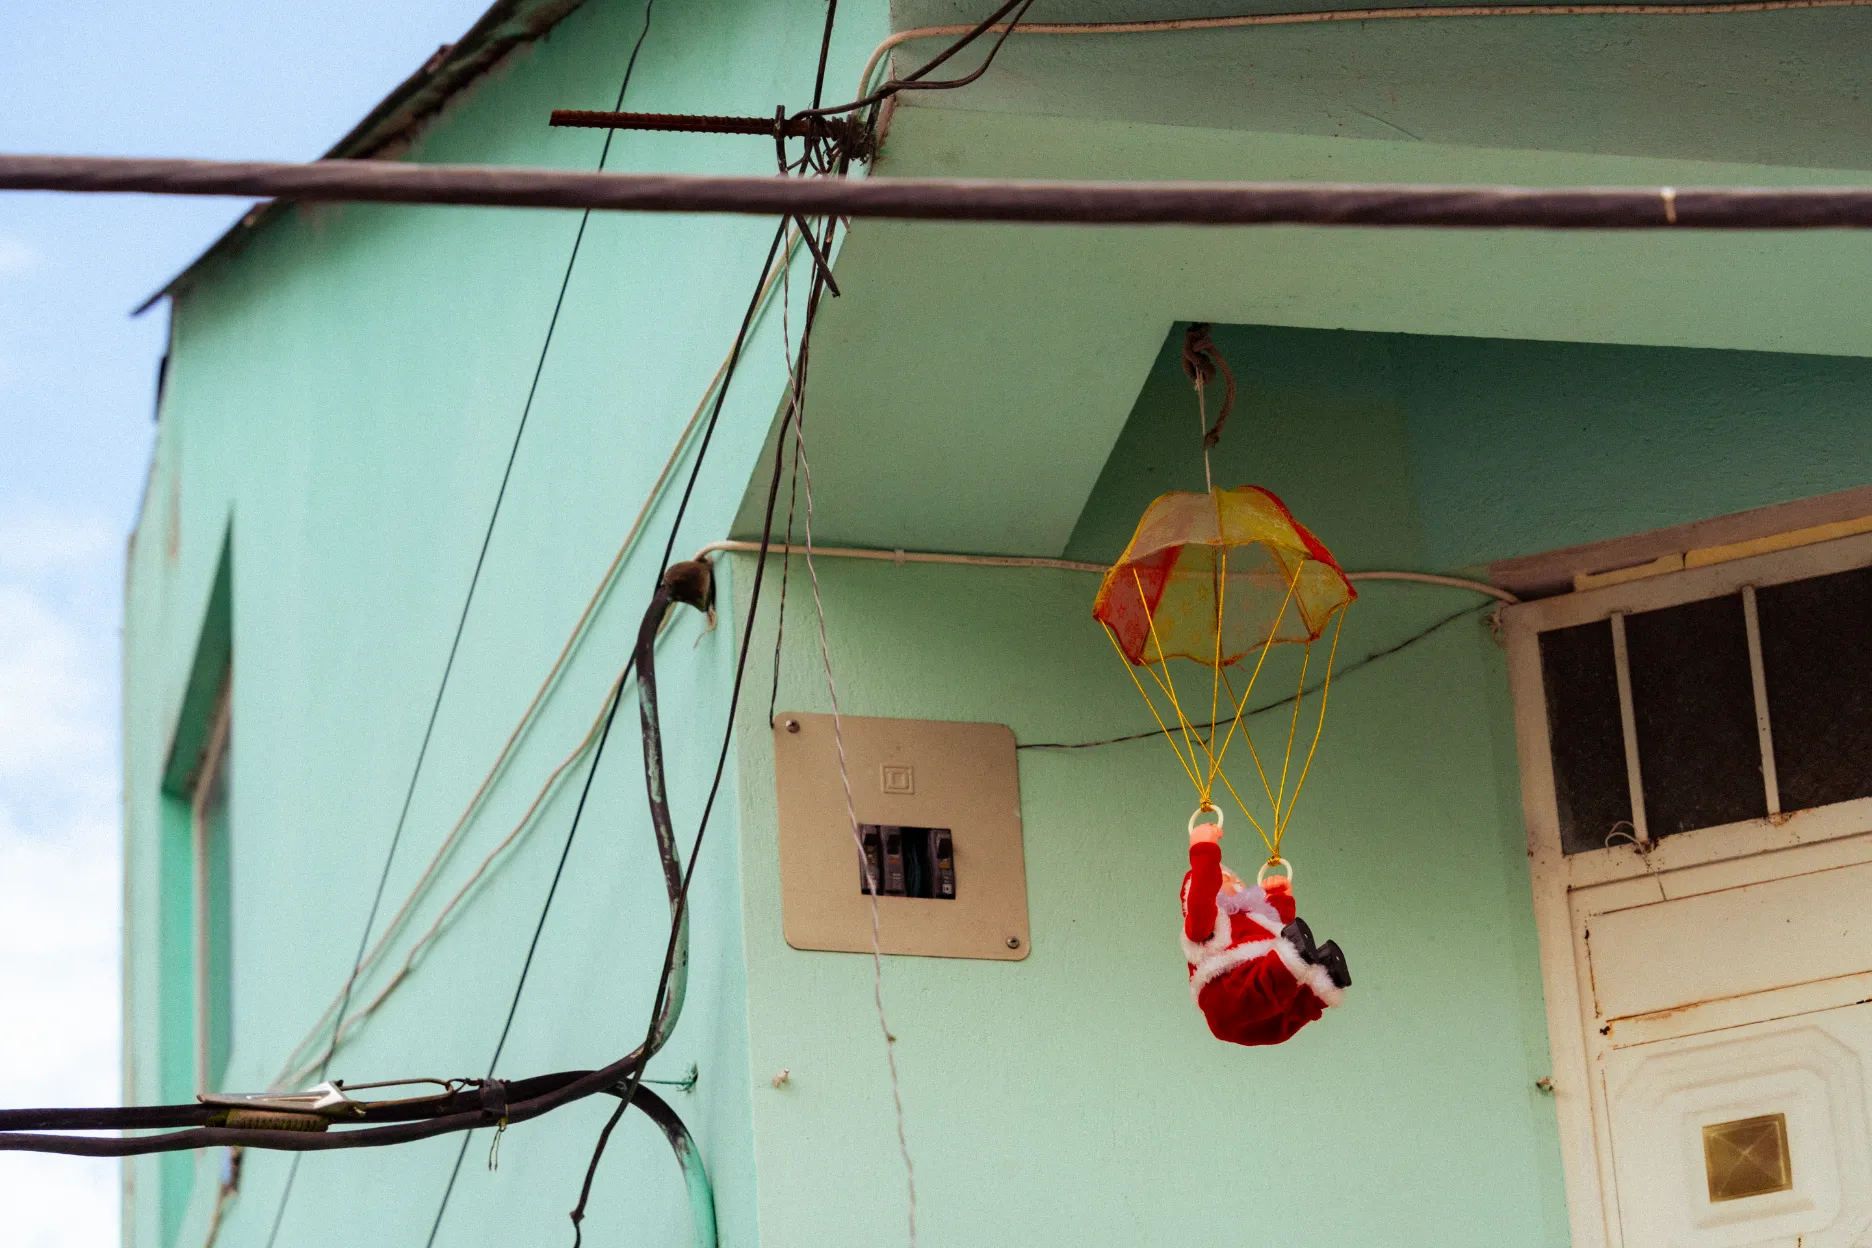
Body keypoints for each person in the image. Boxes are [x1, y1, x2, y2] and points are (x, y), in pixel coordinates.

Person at [1180, 815, 1350, 1046]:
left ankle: (1324, 980)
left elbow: (1279, 926)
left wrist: (1279, 896)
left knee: (1288, 1014)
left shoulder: (1253, 918)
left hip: (1267, 1006)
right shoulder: (1209, 920)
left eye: (1237, 880)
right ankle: (1290, 961)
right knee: (1265, 979)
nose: (1237, 884)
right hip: (1228, 997)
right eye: (1225, 878)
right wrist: (1204, 849)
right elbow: (1201, 894)